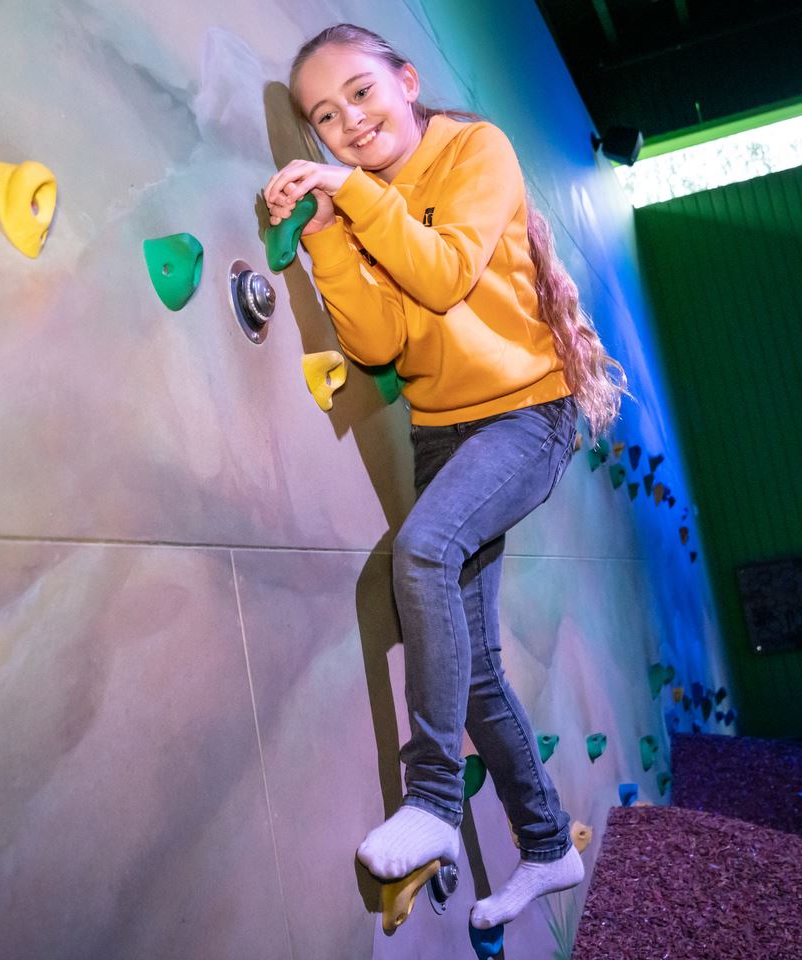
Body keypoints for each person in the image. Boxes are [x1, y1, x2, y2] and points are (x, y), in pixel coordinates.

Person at [263, 24, 627, 930]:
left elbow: (445, 275)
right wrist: (326, 237)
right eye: (324, 117)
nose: (349, 122)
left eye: (360, 92)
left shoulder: (475, 149)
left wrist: (354, 195)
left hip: (527, 414)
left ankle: (430, 796)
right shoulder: (361, 204)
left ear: (407, 79)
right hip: (439, 433)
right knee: (476, 670)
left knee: (422, 548)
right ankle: (547, 843)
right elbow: (380, 342)